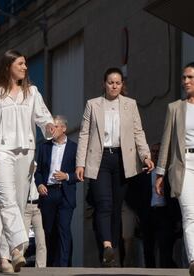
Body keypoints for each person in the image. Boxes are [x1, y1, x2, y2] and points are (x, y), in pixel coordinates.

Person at [0, 49, 56, 273]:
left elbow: (43, 118)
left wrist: (49, 127)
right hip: (0, 151)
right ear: (8, 66)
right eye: (21, 63)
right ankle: (18, 250)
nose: (25, 67)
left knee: (18, 204)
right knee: (7, 200)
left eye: (26, 64)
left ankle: (4, 257)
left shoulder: (32, 92)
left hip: (26, 152)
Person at [75, 67, 154, 267]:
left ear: (122, 85)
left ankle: (112, 252)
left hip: (122, 160)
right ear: (104, 83)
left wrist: (145, 155)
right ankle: (107, 245)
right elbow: (84, 134)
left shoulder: (130, 105)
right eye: (111, 82)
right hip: (100, 159)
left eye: (118, 82)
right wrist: (80, 163)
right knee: (104, 204)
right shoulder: (93, 105)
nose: (114, 86)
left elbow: (138, 132)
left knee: (117, 207)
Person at [155, 62, 194, 276]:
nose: (186, 81)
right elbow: (167, 142)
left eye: (190, 77)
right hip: (184, 165)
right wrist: (160, 174)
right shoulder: (175, 108)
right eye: (184, 78)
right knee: (189, 214)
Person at [35, 115, 78, 267]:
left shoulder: (74, 148)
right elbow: (38, 171)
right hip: (48, 193)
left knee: (64, 228)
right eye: (50, 127)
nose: (51, 130)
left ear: (64, 129)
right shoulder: (43, 147)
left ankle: (64, 265)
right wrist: (39, 184)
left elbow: (80, 174)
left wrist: (66, 176)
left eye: (55, 126)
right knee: (49, 230)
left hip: (65, 192)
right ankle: (52, 264)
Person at [24, 164, 46, 268]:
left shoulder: (41, 168)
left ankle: (40, 268)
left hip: (38, 206)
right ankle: (17, 263)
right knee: (23, 241)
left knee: (41, 240)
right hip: (26, 207)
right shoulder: (22, 167)